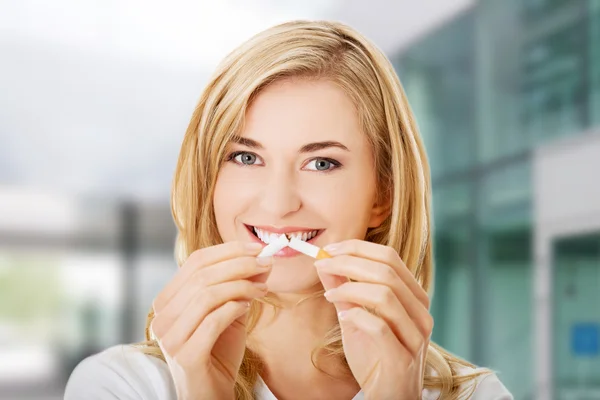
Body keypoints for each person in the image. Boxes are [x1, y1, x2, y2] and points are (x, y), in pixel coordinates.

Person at [64, 20, 513, 399]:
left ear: (384, 195)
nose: (279, 203)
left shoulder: (478, 395)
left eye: (322, 163)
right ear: (209, 180)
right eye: (245, 157)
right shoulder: (121, 386)